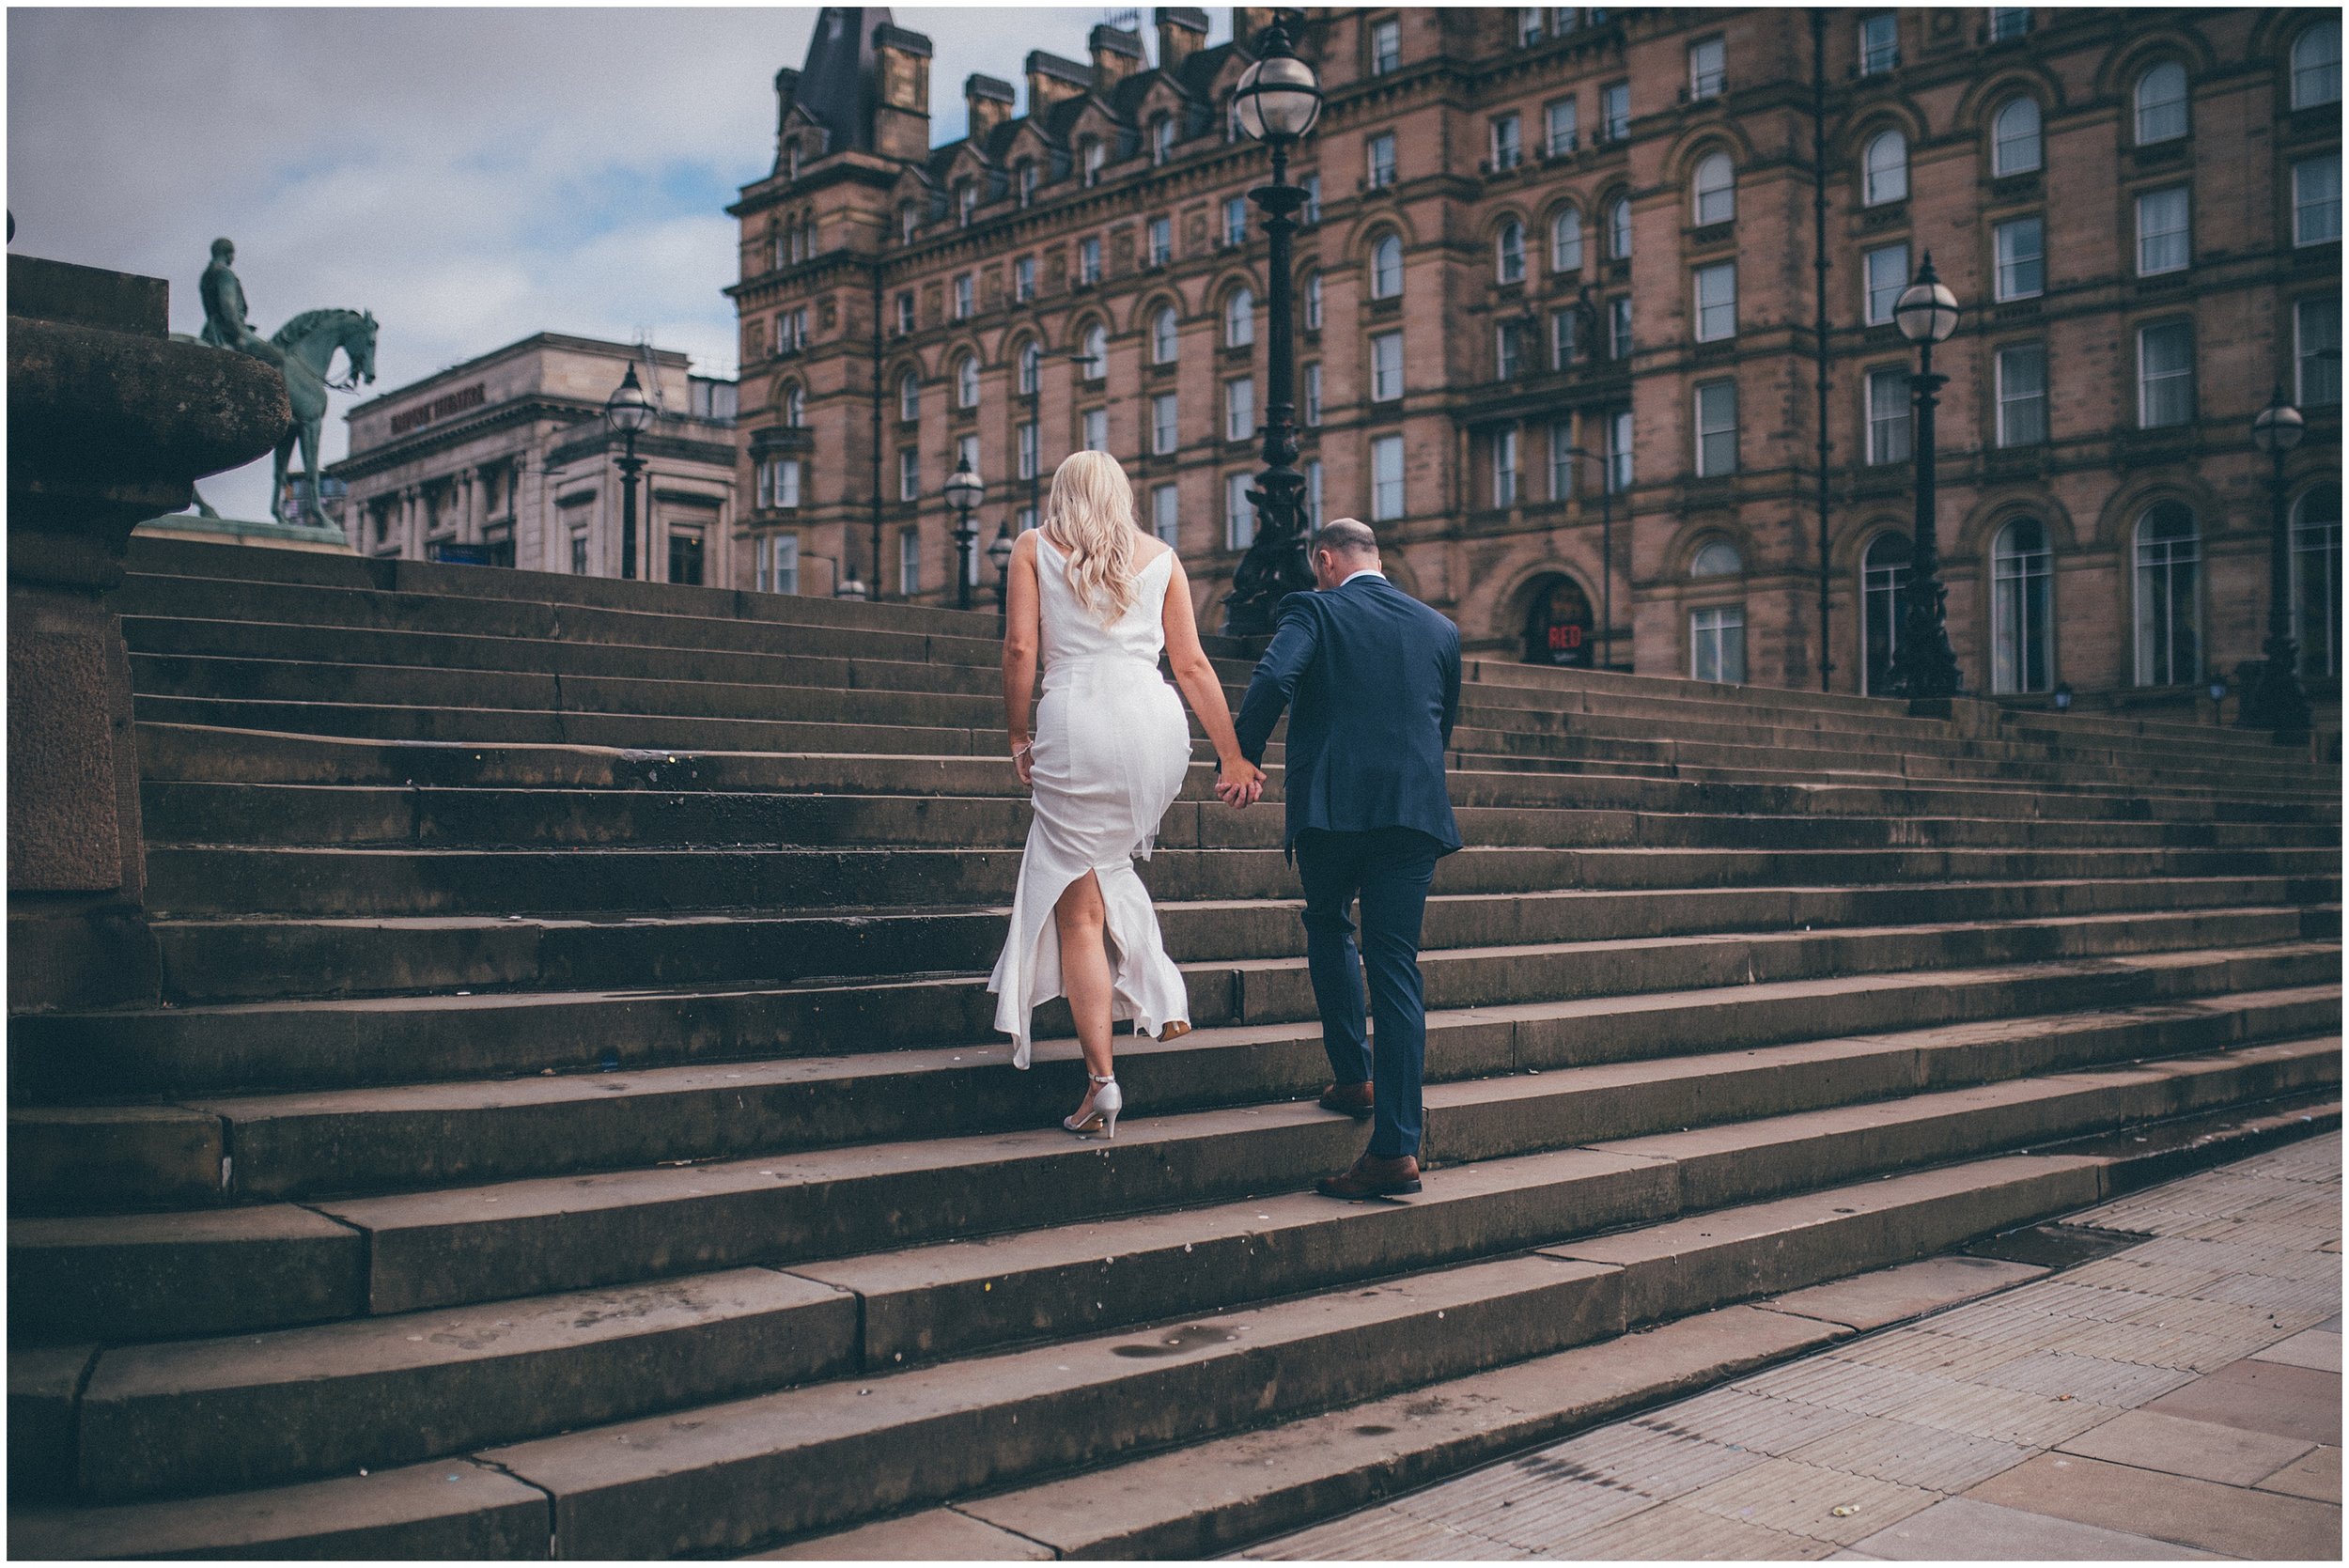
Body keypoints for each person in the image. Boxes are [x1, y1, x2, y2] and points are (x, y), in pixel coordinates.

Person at [989, 451, 1265, 1137]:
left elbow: (1021, 650)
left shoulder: (1033, 545)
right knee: (1108, 866)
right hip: (1155, 729)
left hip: (1077, 723)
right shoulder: (1163, 556)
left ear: (1062, 494)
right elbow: (1193, 663)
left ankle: (1103, 1080)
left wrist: (1017, 734)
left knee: (1078, 911)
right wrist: (1232, 754)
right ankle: (1155, 984)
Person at [1233, 519, 1461, 1198]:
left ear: (1326, 560)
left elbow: (1275, 675)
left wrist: (1240, 752)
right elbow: (1440, 719)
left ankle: (1354, 1071)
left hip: (1332, 808)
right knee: (1396, 966)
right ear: (1376, 559)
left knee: (1329, 921)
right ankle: (1396, 1145)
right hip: (1413, 809)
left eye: (1317, 568)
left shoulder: (1315, 607)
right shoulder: (1439, 628)